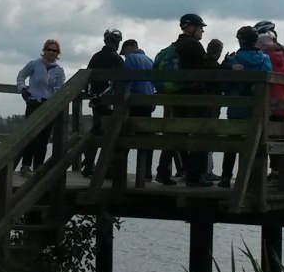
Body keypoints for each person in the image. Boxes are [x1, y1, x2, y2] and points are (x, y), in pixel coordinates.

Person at [218, 26, 273, 187]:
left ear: (240, 40)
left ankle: (226, 177)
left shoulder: (234, 59)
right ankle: (248, 179)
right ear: (255, 40)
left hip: (236, 108)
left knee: (232, 143)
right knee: (254, 143)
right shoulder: (264, 59)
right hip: (257, 109)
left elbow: (225, 86)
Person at [167, 13, 218, 187]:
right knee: (200, 134)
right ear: (190, 27)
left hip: (179, 95)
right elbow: (205, 70)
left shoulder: (177, 45)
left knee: (181, 133)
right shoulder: (193, 45)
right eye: (200, 27)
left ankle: (186, 171)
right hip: (196, 96)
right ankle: (195, 176)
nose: (202, 30)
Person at [15, 38, 66, 176]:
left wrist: (55, 100)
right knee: (30, 136)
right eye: (48, 49)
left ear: (57, 54)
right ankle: (25, 166)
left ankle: (38, 166)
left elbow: (60, 87)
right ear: (44, 51)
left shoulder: (59, 71)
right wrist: (23, 89)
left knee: (44, 138)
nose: (51, 52)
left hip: (48, 105)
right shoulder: (34, 64)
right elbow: (21, 76)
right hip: (34, 102)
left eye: (54, 50)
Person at [255, 21, 284, 186]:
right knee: (280, 139)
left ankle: (265, 175)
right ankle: (279, 174)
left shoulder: (263, 55)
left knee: (265, 139)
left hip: (269, 102)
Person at [81, 29, 125, 177]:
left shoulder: (96, 57)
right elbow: (117, 82)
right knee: (111, 134)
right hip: (110, 101)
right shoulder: (117, 59)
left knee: (96, 131)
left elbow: (87, 78)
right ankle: (108, 169)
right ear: (117, 43)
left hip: (96, 101)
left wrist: (92, 97)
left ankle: (88, 164)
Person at [119, 38, 160, 182]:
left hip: (135, 102)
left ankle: (118, 173)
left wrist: (124, 101)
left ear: (128, 48)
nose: (124, 56)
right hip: (148, 103)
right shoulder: (149, 60)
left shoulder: (130, 58)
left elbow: (128, 81)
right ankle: (146, 173)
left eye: (123, 53)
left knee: (124, 137)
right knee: (146, 139)